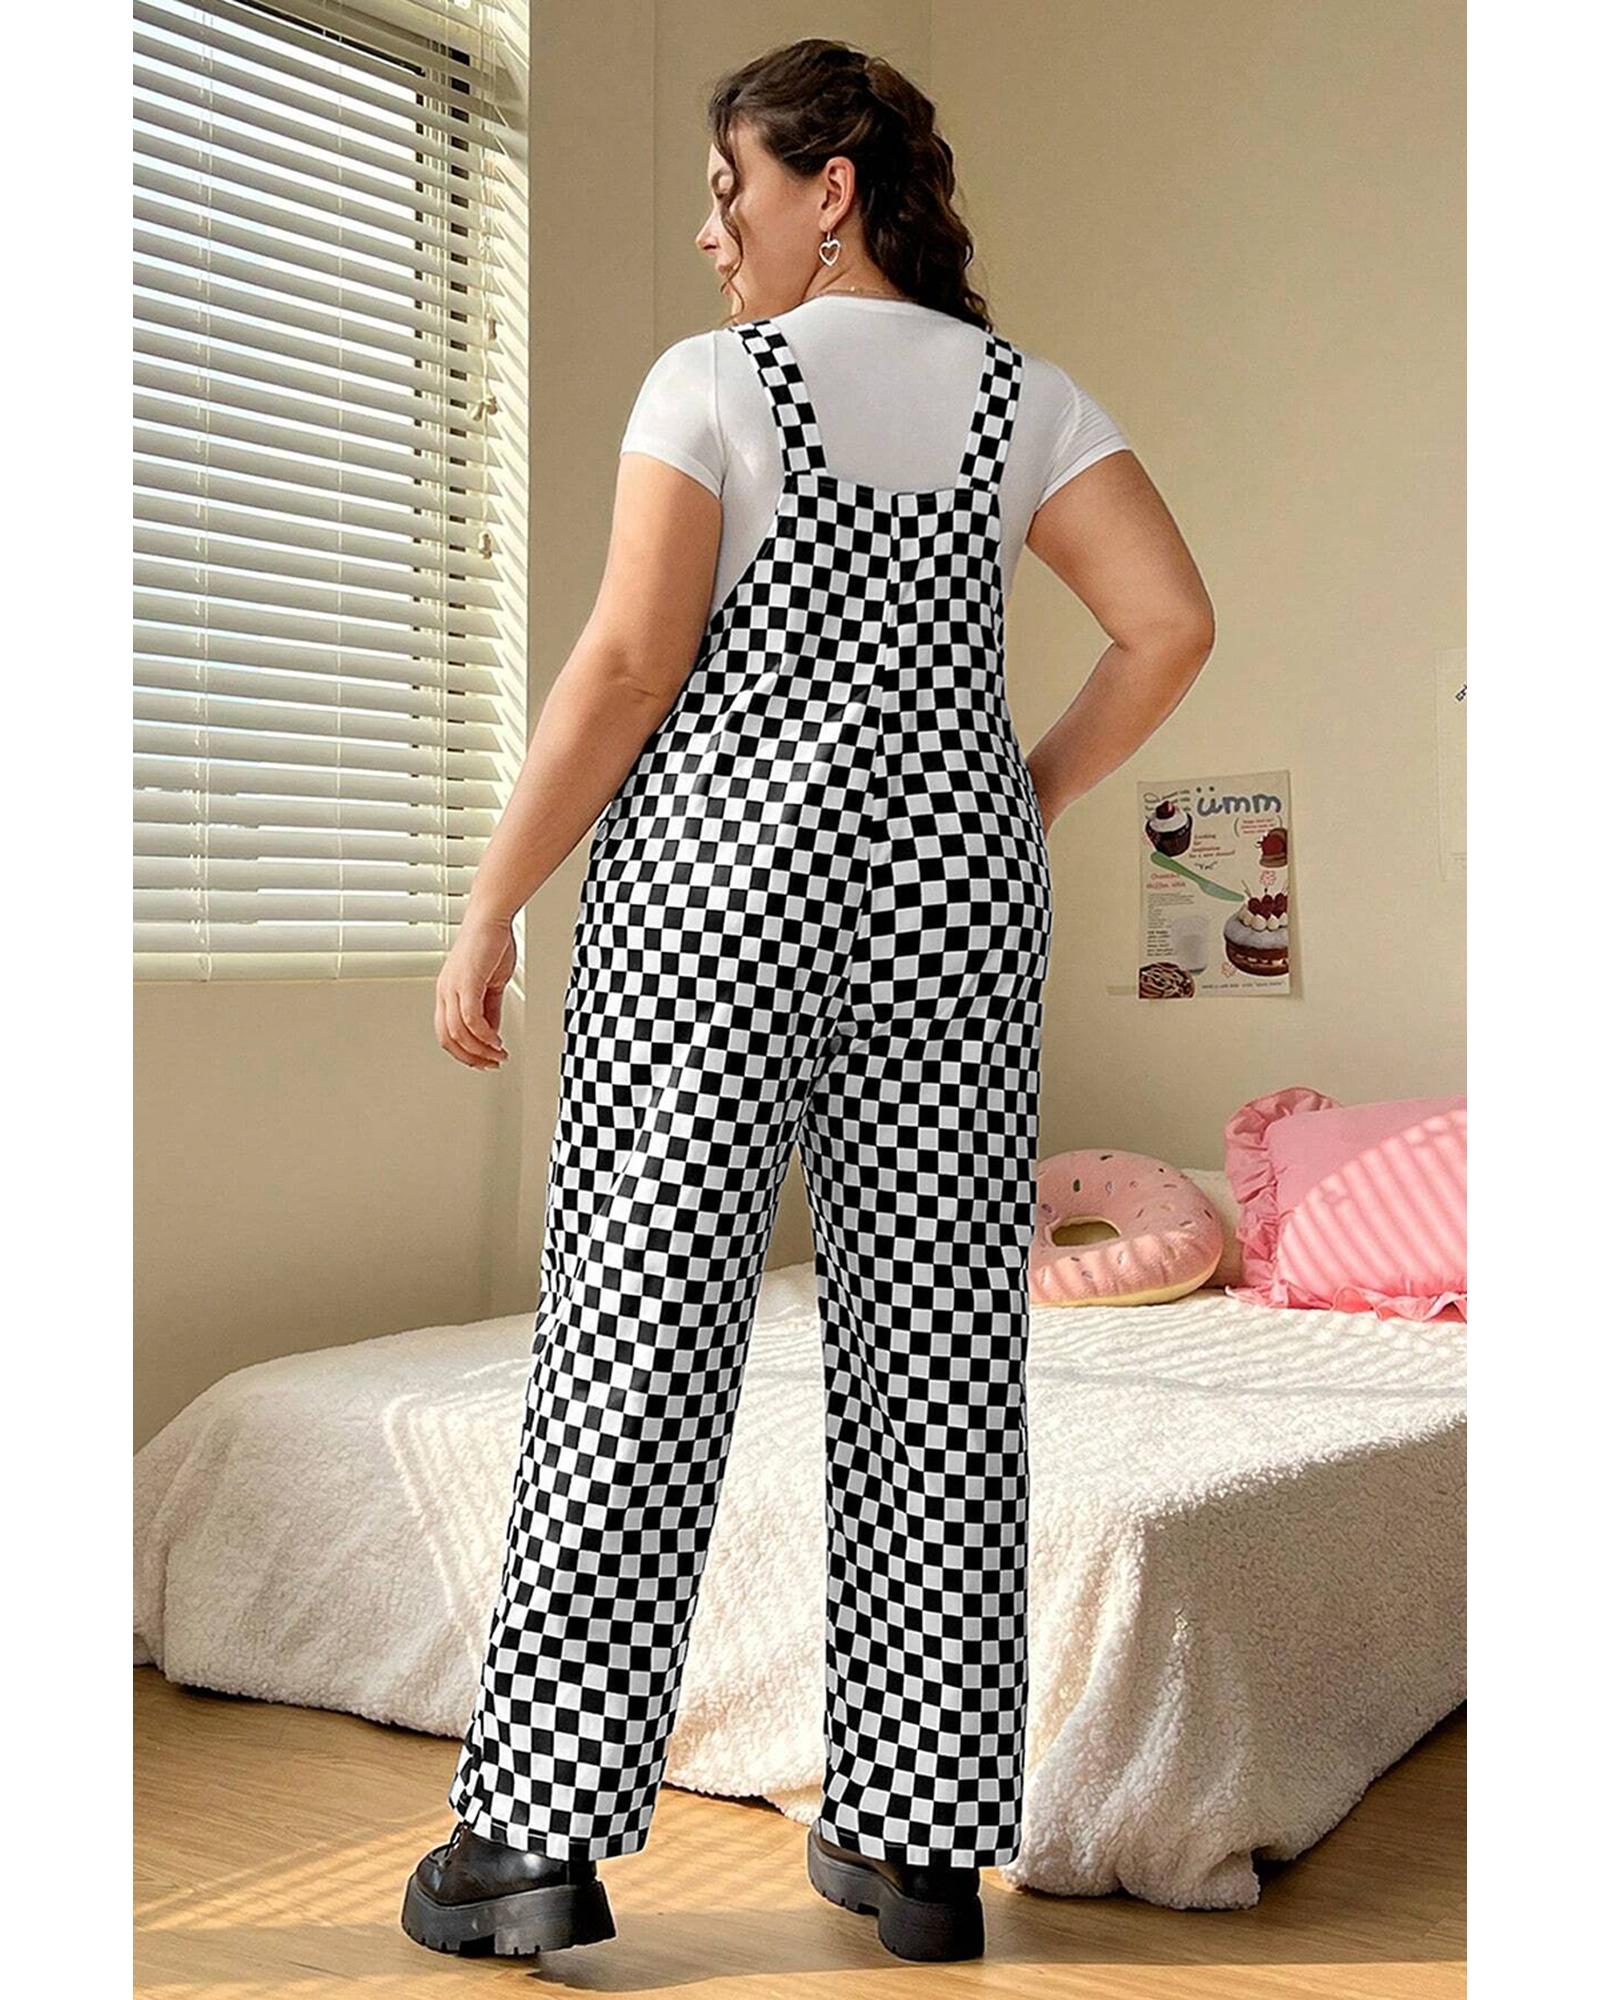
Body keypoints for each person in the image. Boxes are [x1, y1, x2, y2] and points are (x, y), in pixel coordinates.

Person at [402, 37, 1213, 1967]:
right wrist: (1011, 793)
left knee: (638, 1339)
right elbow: (1170, 624)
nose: (712, 235)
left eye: (730, 191)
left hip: (714, 900)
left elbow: (626, 665)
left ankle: (531, 1847)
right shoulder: (1024, 396)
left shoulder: (712, 384)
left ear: (828, 187)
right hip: (953, 916)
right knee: (938, 1357)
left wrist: (492, 900)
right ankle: (919, 1852)